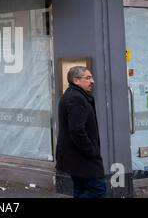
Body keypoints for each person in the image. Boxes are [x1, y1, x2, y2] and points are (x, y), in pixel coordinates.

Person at [55, 66, 107, 198]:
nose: (92, 81)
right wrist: (92, 151)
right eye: (88, 78)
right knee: (98, 189)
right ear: (76, 80)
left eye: (91, 77)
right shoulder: (76, 98)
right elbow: (77, 131)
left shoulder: (73, 95)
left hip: (76, 158)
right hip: (82, 158)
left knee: (80, 190)